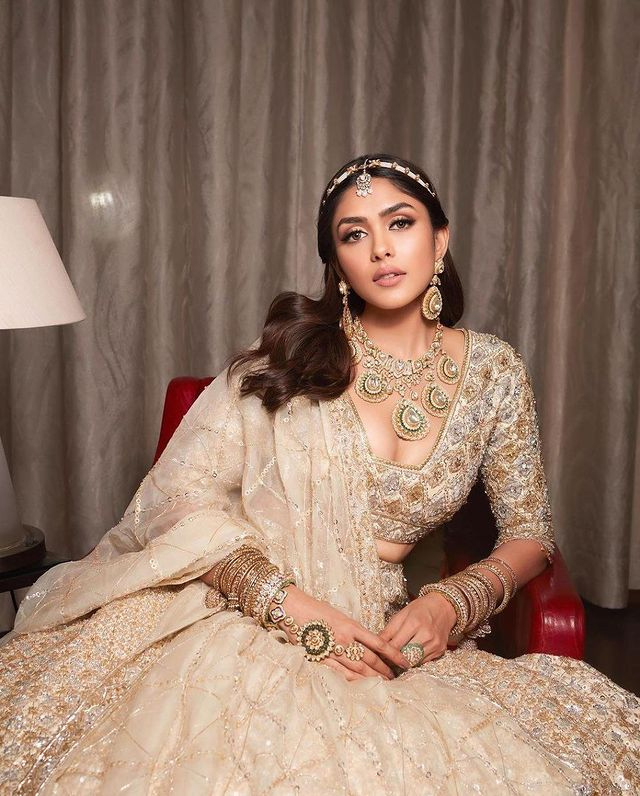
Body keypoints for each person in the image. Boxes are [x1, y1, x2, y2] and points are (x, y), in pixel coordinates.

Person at [0, 154, 638, 795]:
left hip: (381, 635)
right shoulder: (289, 364)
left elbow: (530, 533)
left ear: (440, 239)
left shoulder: (496, 374)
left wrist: (452, 602)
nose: (381, 248)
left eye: (400, 222)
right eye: (355, 234)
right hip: (243, 614)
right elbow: (178, 502)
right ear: (338, 266)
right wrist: (292, 609)